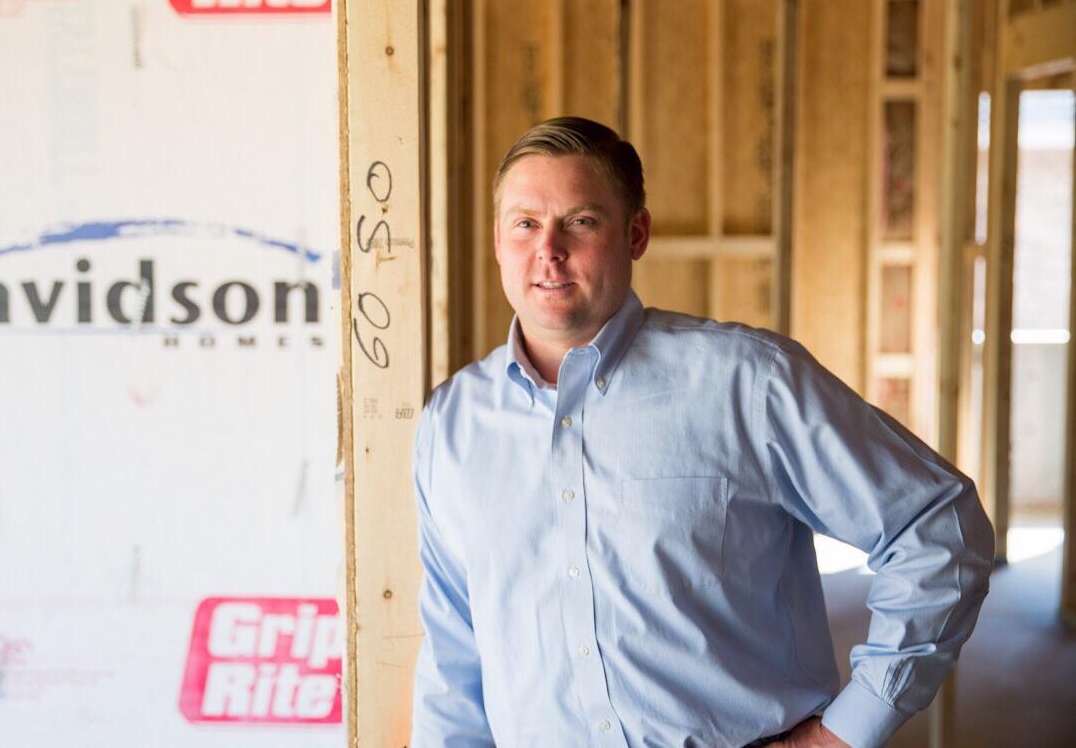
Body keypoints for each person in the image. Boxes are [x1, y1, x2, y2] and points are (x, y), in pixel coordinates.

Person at [409, 117, 994, 748]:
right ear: (498, 240)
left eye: (580, 221)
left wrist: (847, 731)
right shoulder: (453, 425)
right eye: (525, 223)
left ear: (636, 234)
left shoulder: (747, 383)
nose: (548, 250)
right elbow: (453, 652)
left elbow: (939, 525)